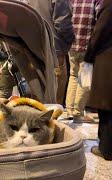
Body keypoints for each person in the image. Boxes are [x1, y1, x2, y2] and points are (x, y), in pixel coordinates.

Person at [27, 0, 75, 105]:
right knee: (54, 99)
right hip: (54, 49)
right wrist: (70, 40)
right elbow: (63, 24)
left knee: (37, 93)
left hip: (32, 47)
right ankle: (50, 119)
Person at [82, 0, 112, 160]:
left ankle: (107, 149)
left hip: (107, 58)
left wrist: (88, 57)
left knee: (106, 106)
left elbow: (99, 32)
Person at [66, 0, 102, 122]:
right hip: (87, 45)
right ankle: (77, 113)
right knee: (84, 79)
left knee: (73, 76)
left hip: (71, 44)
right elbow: (101, 20)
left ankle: (69, 110)